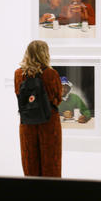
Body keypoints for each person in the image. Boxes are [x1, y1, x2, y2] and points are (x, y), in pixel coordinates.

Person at [14, 40, 63, 177]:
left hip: (27, 122)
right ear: (45, 54)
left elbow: (18, 95)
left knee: (30, 163)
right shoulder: (51, 74)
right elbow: (57, 99)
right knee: (51, 163)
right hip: (49, 122)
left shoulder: (18, 74)